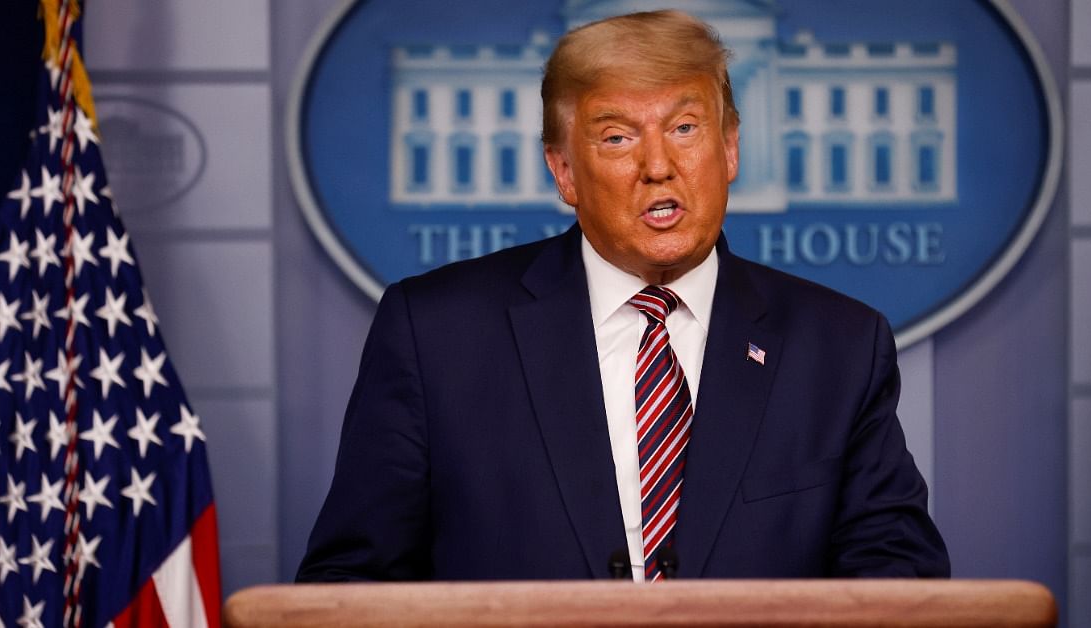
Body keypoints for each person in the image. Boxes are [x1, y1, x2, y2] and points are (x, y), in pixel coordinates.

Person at [297, 9, 948, 582]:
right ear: (563, 171)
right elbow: (351, 582)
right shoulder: (437, 334)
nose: (658, 165)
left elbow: (896, 577)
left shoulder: (837, 345)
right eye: (617, 137)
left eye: (686, 128)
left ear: (730, 149)